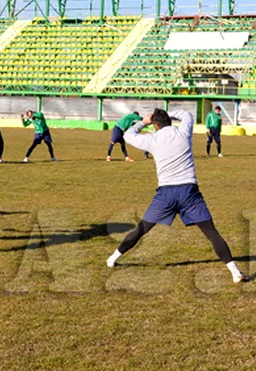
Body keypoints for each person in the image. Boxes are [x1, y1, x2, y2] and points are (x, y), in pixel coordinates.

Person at [105, 109, 248, 283]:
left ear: (155, 125)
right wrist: (165, 114)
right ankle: (235, 272)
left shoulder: (153, 139)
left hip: (166, 194)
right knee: (211, 232)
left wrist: (145, 121)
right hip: (189, 191)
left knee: (142, 229)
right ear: (169, 120)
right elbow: (187, 114)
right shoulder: (183, 133)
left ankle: (113, 258)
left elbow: (128, 135)